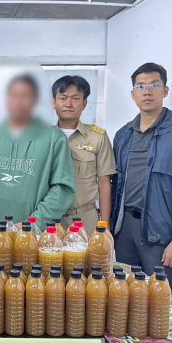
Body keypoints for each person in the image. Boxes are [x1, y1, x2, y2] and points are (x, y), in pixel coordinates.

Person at [111, 63, 172, 293]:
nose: (147, 91)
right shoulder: (123, 135)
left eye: (154, 85)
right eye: (140, 86)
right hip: (124, 230)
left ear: (165, 90)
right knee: (122, 295)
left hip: (160, 232)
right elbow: (114, 185)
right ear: (133, 94)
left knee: (159, 301)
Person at [0, 74, 75, 226]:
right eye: (13, 95)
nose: (18, 102)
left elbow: (62, 188)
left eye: (26, 96)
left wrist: (32, 223)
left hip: (37, 231)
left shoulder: (54, 138)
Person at [52, 75, 116, 234]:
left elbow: (104, 184)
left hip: (85, 219)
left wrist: (105, 226)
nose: (68, 104)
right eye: (63, 98)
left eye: (75, 98)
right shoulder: (43, 137)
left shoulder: (98, 137)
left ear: (84, 103)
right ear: (54, 102)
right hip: (50, 219)